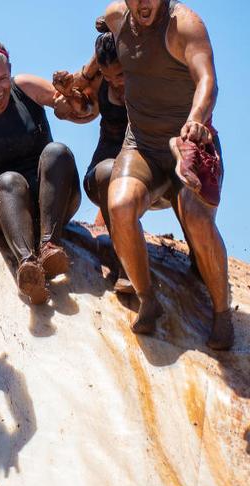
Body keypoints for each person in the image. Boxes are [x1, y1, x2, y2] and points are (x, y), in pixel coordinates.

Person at [82, 1, 231, 348]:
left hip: (190, 142)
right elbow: (104, 42)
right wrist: (83, 78)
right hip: (143, 145)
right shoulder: (116, 16)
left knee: (196, 217)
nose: (144, 3)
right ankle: (148, 298)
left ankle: (223, 313)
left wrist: (195, 119)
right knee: (119, 207)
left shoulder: (185, 26)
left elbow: (208, 80)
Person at [0, 40, 88, 305]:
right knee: (8, 180)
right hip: (10, 207)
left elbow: (73, 109)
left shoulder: (26, 87)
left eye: (3, 78)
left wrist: (70, 97)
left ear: (11, 72)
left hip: (53, 201)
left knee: (57, 151)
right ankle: (28, 265)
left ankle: (50, 246)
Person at [52, 19, 143, 295]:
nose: (116, 83)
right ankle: (123, 263)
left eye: (122, 75)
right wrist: (65, 98)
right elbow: (80, 107)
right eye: (109, 76)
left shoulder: (150, 82)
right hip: (104, 173)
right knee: (110, 171)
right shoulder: (98, 81)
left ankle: (201, 265)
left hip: (145, 168)